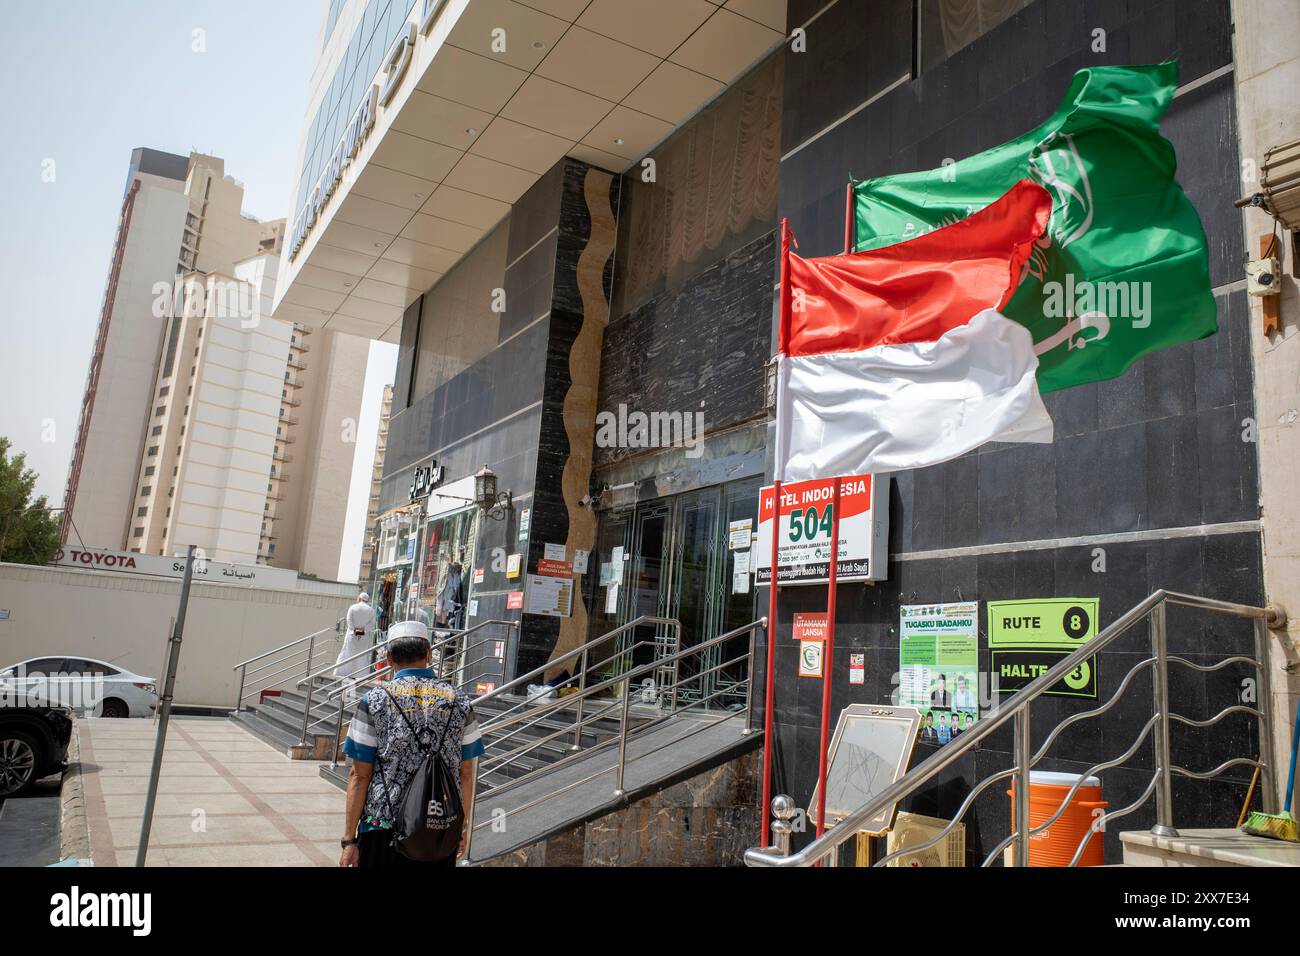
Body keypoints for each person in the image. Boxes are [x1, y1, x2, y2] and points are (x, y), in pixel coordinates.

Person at [339, 621, 484, 867]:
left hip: (382, 829)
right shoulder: (461, 702)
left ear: (388, 657)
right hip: (437, 828)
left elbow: (359, 775)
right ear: (429, 654)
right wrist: (462, 828)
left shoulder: (373, 702)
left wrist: (349, 840)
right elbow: (467, 773)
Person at [335, 592, 376, 681]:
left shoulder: (353, 607)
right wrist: (361, 632)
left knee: (348, 653)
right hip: (363, 637)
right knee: (361, 655)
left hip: (352, 635)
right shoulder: (371, 610)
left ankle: (343, 673)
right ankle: (359, 674)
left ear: (359, 598)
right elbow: (372, 624)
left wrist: (356, 631)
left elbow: (349, 621)